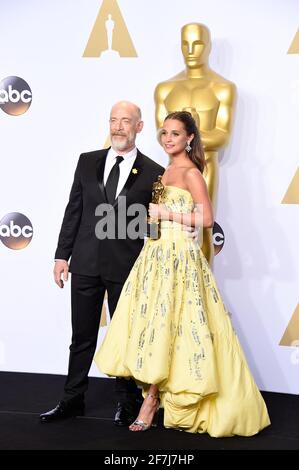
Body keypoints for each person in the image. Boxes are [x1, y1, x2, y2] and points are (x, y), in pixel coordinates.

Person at [95, 111, 270, 436]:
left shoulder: (190, 172)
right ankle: (156, 396)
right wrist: (153, 220)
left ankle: (150, 401)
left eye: (176, 133)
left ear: (190, 138)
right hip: (156, 254)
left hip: (180, 260)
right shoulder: (166, 171)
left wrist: (165, 212)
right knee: (157, 328)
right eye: (166, 133)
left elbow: (205, 219)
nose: (169, 138)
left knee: (173, 326)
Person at [39, 101, 166, 425]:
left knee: (125, 336)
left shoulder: (154, 172)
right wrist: (61, 256)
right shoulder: (87, 162)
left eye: (126, 121)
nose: (118, 126)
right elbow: (74, 211)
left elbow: (153, 228)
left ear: (139, 127)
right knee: (81, 336)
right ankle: (72, 399)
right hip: (84, 263)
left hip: (127, 267)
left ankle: (126, 402)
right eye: (113, 120)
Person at [154, 23, 237, 265]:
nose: (191, 50)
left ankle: (201, 292)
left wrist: (193, 130)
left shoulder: (223, 88)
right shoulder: (165, 89)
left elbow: (223, 137)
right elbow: (163, 135)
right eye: (185, 44)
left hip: (206, 167)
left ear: (209, 47)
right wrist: (184, 132)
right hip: (171, 171)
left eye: (198, 43)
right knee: (167, 231)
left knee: (201, 231)